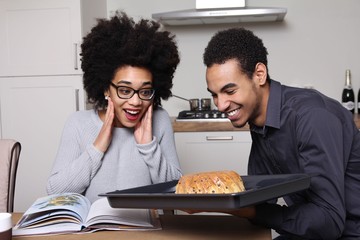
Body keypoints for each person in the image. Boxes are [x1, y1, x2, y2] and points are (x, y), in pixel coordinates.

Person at [202, 27, 360, 239]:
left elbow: (330, 221)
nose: (220, 105)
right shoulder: (259, 121)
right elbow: (260, 198)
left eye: (230, 91)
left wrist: (251, 211)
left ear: (259, 74)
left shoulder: (311, 116)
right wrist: (210, 199)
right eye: (215, 95)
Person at [46, 12, 182, 203]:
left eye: (145, 91)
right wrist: (97, 147)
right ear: (106, 89)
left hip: (144, 230)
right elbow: (55, 192)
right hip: (94, 230)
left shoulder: (159, 120)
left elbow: (177, 190)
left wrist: (148, 147)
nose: (136, 102)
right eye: (125, 90)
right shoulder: (78, 123)